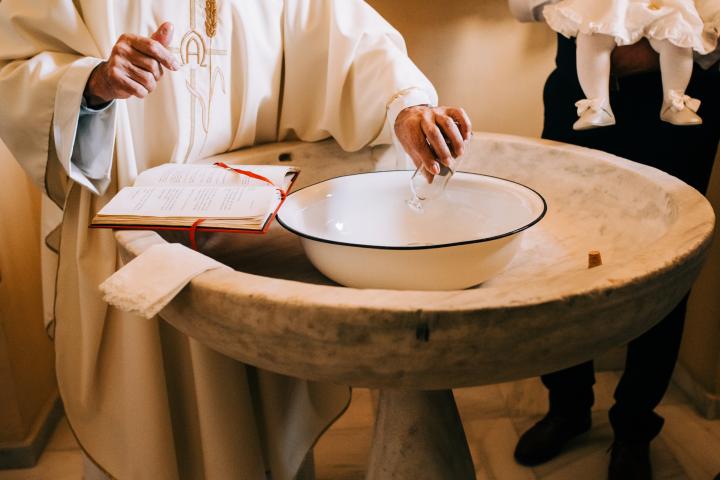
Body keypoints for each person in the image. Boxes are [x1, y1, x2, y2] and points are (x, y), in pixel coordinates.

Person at [0, 1, 470, 479]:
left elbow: (341, 31)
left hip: (249, 220)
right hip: (132, 217)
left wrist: (406, 106)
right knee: (152, 418)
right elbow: (16, 66)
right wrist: (94, 84)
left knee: (260, 414)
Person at [509, 1, 720, 479]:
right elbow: (522, 5)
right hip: (576, 92)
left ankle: (635, 426)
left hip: (682, 101)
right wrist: (600, 23)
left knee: (668, 261)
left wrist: (675, 39)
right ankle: (567, 406)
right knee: (562, 252)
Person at [542, 0, 715, 130]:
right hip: (612, 7)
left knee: (678, 37)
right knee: (591, 35)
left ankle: (674, 102)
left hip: (663, 7)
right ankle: (598, 106)